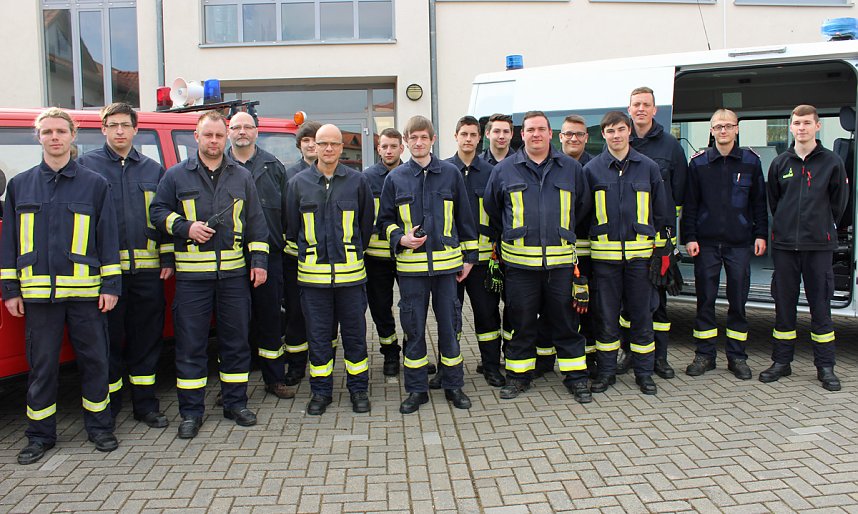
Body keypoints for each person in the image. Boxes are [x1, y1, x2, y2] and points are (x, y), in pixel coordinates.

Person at [1, 108, 121, 464]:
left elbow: (107, 238)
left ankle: (100, 428)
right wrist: (10, 290)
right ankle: (39, 436)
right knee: (42, 367)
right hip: (39, 298)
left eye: (60, 131)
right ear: (38, 137)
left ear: (73, 136)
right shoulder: (20, 185)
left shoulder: (95, 184)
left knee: (94, 361)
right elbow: (9, 243)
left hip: (86, 297)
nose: (54, 137)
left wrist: (111, 286)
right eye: (47, 131)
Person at [150, 111, 269, 439]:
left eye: (219, 135)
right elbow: (157, 211)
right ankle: (191, 412)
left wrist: (259, 261)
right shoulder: (176, 176)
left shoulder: (241, 176)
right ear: (197, 137)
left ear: (226, 136)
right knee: (190, 346)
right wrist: (185, 227)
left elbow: (257, 221)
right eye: (208, 135)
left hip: (233, 277)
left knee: (235, 343)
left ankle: (235, 403)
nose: (214, 141)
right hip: (192, 281)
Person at [483, 110, 592, 403]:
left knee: (567, 322)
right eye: (530, 130)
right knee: (520, 322)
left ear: (550, 133)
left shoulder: (571, 169)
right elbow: (495, 210)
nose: (536, 134)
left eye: (541, 129)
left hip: (560, 265)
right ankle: (519, 377)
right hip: (519, 266)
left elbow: (581, 207)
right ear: (523, 134)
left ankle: (576, 377)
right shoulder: (504, 170)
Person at [77, 103, 172, 428]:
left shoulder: (152, 169)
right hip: (107, 276)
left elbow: (162, 216)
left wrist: (168, 257)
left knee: (146, 340)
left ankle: (145, 406)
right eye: (113, 125)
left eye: (125, 125)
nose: (119, 131)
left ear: (135, 130)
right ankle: (111, 404)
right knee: (109, 342)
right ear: (103, 129)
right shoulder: (85, 167)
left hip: (147, 273)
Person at [377, 115, 477, 414]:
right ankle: (417, 389)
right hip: (411, 271)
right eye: (413, 138)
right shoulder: (394, 179)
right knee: (414, 330)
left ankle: (453, 385)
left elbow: (465, 219)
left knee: (450, 327)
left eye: (424, 137)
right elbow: (384, 221)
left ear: (433, 140)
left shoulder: (450, 174)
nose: (418, 143)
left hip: (447, 269)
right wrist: (400, 238)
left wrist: (470, 258)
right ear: (406, 142)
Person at [285, 124, 374, 414]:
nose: (328, 149)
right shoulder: (297, 184)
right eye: (322, 143)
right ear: (314, 146)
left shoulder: (358, 182)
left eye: (334, 144)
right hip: (313, 282)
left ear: (342, 148)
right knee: (319, 339)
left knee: (355, 337)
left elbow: (365, 225)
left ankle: (358, 390)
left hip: (351, 280)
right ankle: (321, 392)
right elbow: (291, 228)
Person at [761, 104, 848, 391]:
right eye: (797, 123)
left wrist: (820, 226)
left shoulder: (832, 162)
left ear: (817, 126)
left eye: (807, 123)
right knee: (783, 308)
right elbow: (774, 202)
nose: (802, 128)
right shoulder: (780, 164)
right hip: (785, 247)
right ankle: (781, 363)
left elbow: (839, 204)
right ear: (791, 126)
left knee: (820, 308)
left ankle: (825, 367)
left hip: (818, 247)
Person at [584, 111, 670, 396]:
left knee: (642, 317)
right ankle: (607, 372)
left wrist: (661, 255)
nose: (616, 135)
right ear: (604, 135)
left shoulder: (648, 168)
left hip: (640, 260)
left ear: (629, 132)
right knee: (606, 319)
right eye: (610, 131)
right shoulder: (591, 170)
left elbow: (662, 212)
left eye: (621, 129)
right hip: (604, 262)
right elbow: (582, 218)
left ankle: (644, 374)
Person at [682, 109, 768, 380]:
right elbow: (691, 204)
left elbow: (759, 203)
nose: (723, 131)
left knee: (738, 302)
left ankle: (737, 357)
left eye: (728, 126)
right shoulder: (698, 163)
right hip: (705, 244)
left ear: (737, 129)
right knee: (704, 301)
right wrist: (690, 238)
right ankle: (704, 355)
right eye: (718, 126)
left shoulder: (750, 162)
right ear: (711, 130)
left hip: (739, 244)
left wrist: (761, 234)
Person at [616, 86, 688, 379]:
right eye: (636, 104)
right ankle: (630, 354)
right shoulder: (620, 141)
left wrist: (670, 239)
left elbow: (680, 193)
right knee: (626, 305)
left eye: (646, 104)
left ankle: (660, 359)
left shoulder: (670, 146)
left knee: (657, 306)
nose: (641, 109)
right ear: (629, 109)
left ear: (655, 110)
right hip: (626, 242)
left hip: (657, 242)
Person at [227, 111, 293, 399]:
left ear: (257, 131)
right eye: (236, 127)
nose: (242, 131)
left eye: (247, 127)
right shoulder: (220, 165)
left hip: (270, 256)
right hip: (231, 258)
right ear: (230, 132)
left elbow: (288, 211)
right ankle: (232, 385)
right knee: (233, 325)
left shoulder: (272, 166)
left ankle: (274, 378)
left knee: (269, 320)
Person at [445, 116, 504, 387]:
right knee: (450, 317)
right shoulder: (443, 171)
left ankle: (491, 367)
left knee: (487, 315)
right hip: (451, 260)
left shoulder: (493, 172)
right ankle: (450, 371)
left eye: (473, 134)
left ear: (480, 138)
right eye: (463, 134)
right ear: (455, 136)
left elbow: (500, 213)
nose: (468, 139)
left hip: (482, 260)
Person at [363, 128, 406, 376]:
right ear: (378, 149)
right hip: (376, 258)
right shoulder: (367, 178)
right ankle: (390, 353)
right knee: (381, 307)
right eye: (384, 146)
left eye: (393, 146)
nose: (389, 151)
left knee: (411, 307)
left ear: (402, 148)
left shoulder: (412, 175)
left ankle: (414, 352)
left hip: (406, 256)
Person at [282, 120, 322, 386]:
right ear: (300, 145)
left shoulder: (332, 174)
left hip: (325, 259)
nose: (310, 145)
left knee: (324, 317)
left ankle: (324, 361)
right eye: (305, 141)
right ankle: (296, 366)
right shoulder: (289, 175)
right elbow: (285, 216)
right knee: (295, 314)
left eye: (314, 140)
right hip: (295, 257)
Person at [558, 114, 598, 377]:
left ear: (587, 138)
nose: (574, 138)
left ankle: (591, 361)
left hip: (588, 251)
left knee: (589, 308)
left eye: (579, 134)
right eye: (568, 134)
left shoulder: (595, 168)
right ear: (560, 137)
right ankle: (547, 361)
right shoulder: (551, 166)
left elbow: (587, 209)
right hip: (559, 253)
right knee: (559, 309)